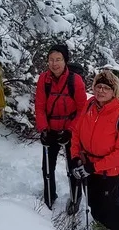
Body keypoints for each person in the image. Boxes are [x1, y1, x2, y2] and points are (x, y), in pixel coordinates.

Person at [69, 68, 119, 230]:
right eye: (98, 86)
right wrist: (75, 157)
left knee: (110, 205)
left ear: (114, 92)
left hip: (108, 171)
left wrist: (94, 167)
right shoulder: (89, 106)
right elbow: (76, 132)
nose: (101, 91)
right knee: (94, 204)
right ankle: (103, 229)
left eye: (106, 88)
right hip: (87, 164)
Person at [35, 44, 86, 210]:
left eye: (58, 59)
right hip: (50, 128)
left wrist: (71, 131)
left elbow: (82, 109)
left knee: (72, 168)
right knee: (47, 167)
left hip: (70, 130)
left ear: (65, 61)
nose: (54, 63)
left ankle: (75, 198)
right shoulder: (44, 79)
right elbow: (40, 106)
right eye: (51, 60)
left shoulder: (75, 80)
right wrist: (43, 129)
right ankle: (49, 196)